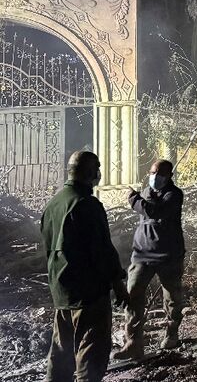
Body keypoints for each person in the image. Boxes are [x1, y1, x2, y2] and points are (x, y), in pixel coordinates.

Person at [40, 151, 129, 382]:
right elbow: (102, 251)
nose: (99, 173)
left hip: (61, 291)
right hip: (88, 294)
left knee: (61, 352)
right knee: (91, 352)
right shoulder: (86, 204)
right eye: (97, 168)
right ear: (90, 172)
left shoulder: (53, 204)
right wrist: (118, 285)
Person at [113, 160, 186, 361]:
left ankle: (172, 333)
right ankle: (133, 343)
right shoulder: (147, 192)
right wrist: (140, 198)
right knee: (132, 294)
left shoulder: (174, 195)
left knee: (172, 298)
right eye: (152, 173)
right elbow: (147, 207)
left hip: (168, 255)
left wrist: (133, 199)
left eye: (160, 174)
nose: (155, 177)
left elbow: (154, 211)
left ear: (169, 175)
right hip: (142, 254)